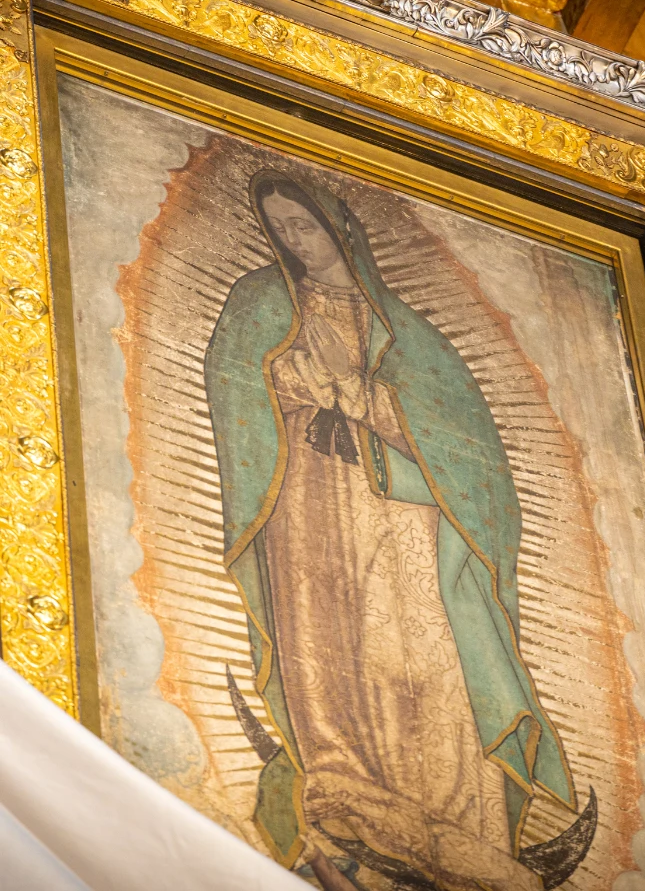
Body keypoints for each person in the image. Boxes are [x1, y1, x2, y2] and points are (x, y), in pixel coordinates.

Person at [204, 170, 583, 891]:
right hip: (308, 507)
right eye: (281, 229)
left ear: (338, 226)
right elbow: (239, 386)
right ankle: (347, 793)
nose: (294, 240)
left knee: (421, 654)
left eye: (304, 225)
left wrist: (366, 407)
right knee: (328, 645)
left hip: (404, 513)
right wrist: (300, 397)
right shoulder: (260, 303)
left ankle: (458, 822)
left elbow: (466, 451)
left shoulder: (411, 336)